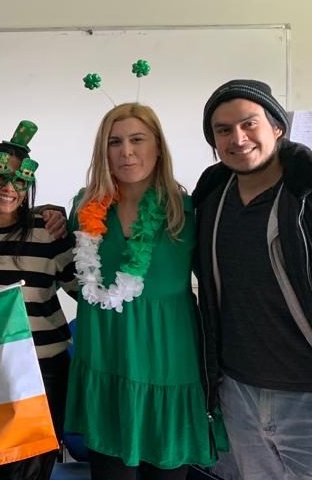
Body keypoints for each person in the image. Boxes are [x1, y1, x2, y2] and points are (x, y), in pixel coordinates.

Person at [64, 103, 223, 480]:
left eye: (137, 140)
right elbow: (70, 277)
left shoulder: (185, 211)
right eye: (114, 142)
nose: (126, 152)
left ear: (158, 147)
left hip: (168, 367)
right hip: (107, 361)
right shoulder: (84, 209)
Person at [194, 79, 312, 480]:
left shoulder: (306, 195)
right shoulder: (211, 199)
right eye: (223, 130)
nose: (238, 139)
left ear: (277, 126)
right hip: (237, 391)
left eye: (249, 124)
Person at [0, 121, 77, 480]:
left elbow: (83, 291)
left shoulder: (47, 231)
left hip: (43, 371)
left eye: (20, 181)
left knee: (31, 470)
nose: (9, 188)